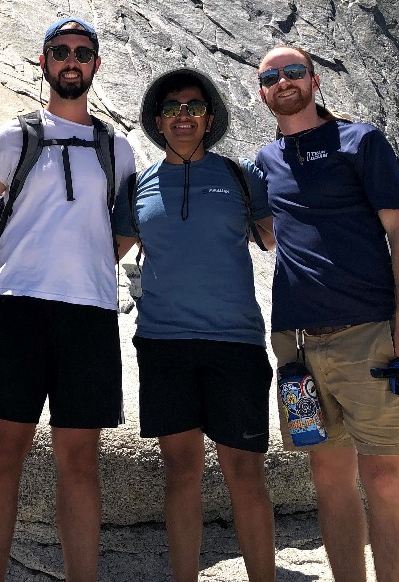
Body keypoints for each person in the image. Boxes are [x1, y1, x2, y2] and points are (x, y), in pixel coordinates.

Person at [0, 17, 136, 582]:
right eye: (60, 51)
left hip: (88, 313)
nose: (71, 60)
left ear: (95, 65)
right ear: (44, 62)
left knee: (81, 462)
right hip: (18, 306)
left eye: (83, 53)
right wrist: (21, 233)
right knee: (3, 454)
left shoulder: (118, 147)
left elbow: (127, 226)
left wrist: (87, 256)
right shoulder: (17, 136)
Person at [254, 45, 399, 582]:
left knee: (384, 475)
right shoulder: (265, 162)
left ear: (313, 80)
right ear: (262, 92)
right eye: (271, 76)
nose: (283, 81)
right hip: (297, 345)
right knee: (328, 478)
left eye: (293, 72)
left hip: (368, 336)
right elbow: (268, 234)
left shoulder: (361, 142)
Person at [113, 68, 276, 582]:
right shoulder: (136, 188)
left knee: (245, 474)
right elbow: (108, 251)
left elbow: (276, 238)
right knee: (180, 475)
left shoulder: (240, 176)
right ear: (158, 121)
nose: (183, 115)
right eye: (172, 108)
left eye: (194, 107)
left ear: (210, 119)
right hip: (164, 344)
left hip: (236, 344)